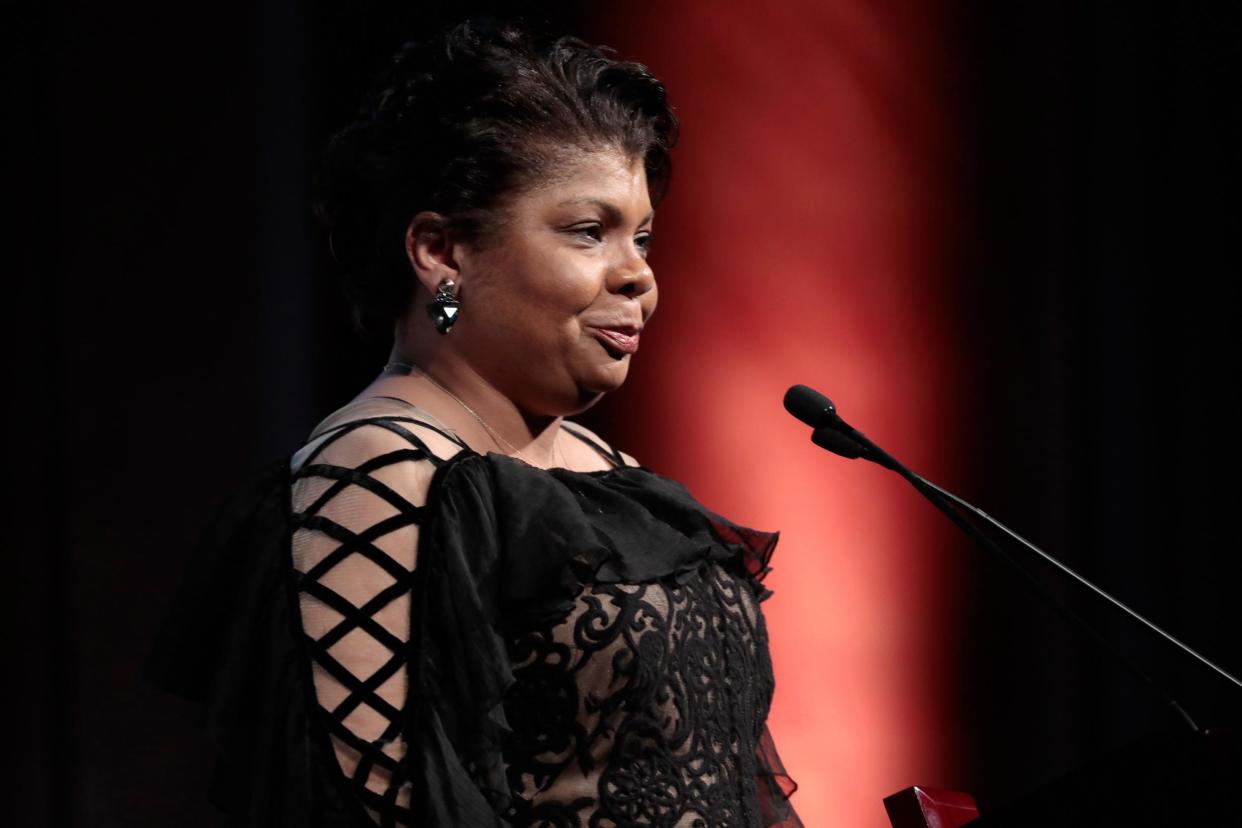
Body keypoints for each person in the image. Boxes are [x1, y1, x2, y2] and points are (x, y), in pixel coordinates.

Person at [147, 18, 801, 827]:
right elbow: (370, 810)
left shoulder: (606, 466)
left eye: (642, 237)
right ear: (441, 251)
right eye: (588, 231)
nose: (638, 275)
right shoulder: (375, 469)